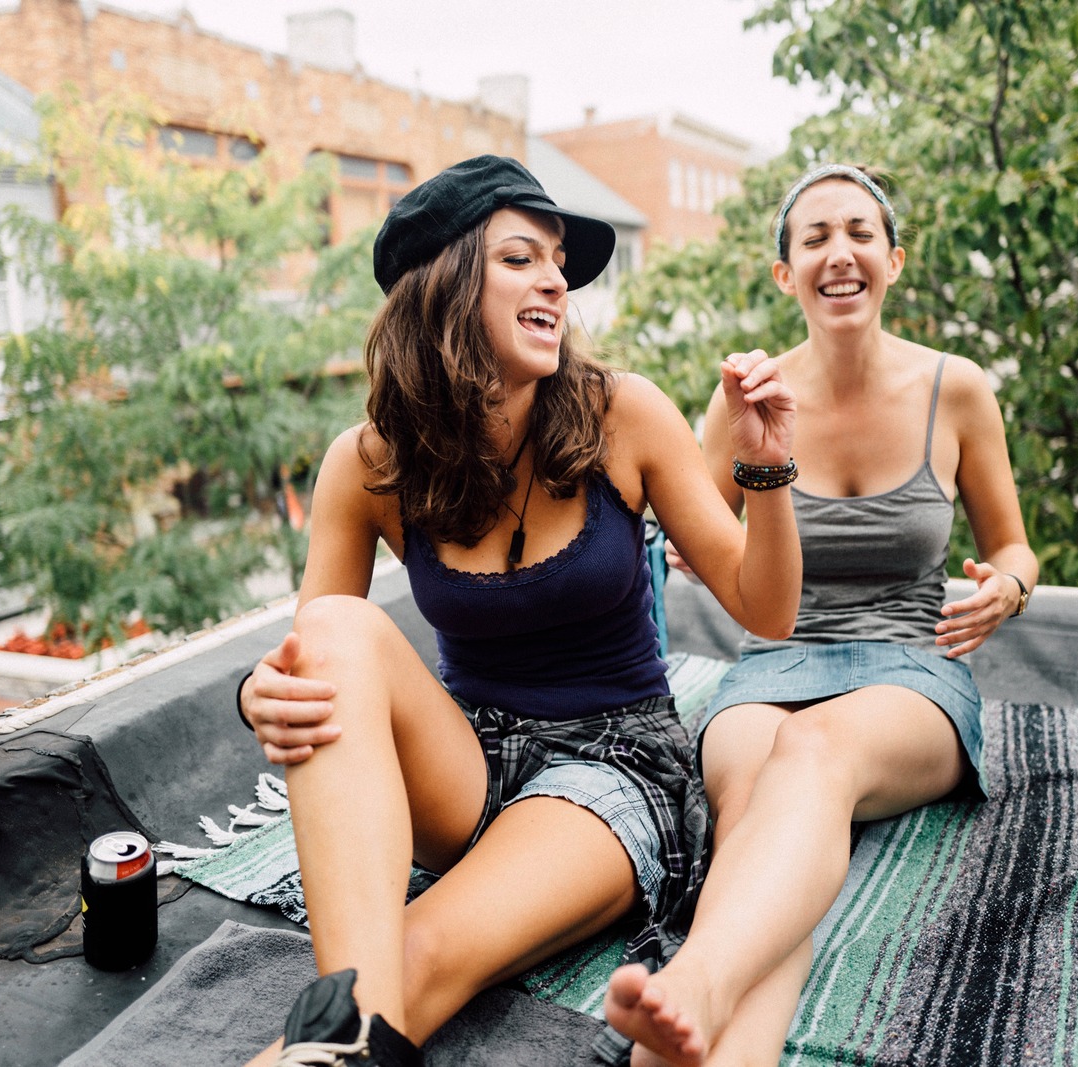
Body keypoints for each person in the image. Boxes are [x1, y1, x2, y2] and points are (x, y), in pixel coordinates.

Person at [235, 155, 802, 1067]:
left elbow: (765, 608)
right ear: (444, 287)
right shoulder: (367, 461)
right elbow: (313, 663)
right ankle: (347, 1032)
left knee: (416, 948)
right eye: (519, 258)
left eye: (558, 263)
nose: (556, 279)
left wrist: (765, 469)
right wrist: (259, 694)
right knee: (336, 632)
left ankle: (336, 1035)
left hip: (611, 762)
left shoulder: (624, 414)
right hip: (463, 763)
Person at [604, 163, 1038, 1066]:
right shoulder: (747, 401)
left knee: (811, 755)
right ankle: (690, 1045)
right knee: (758, 823)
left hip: (907, 671)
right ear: (785, 274)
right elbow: (673, 521)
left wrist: (1009, 586)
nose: (839, 254)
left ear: (893, 258)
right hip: (771, 663)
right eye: (814, 239)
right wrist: (701, 538)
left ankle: (695, 981)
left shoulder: (957, 389)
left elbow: (1015, 546)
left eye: (858, 233)